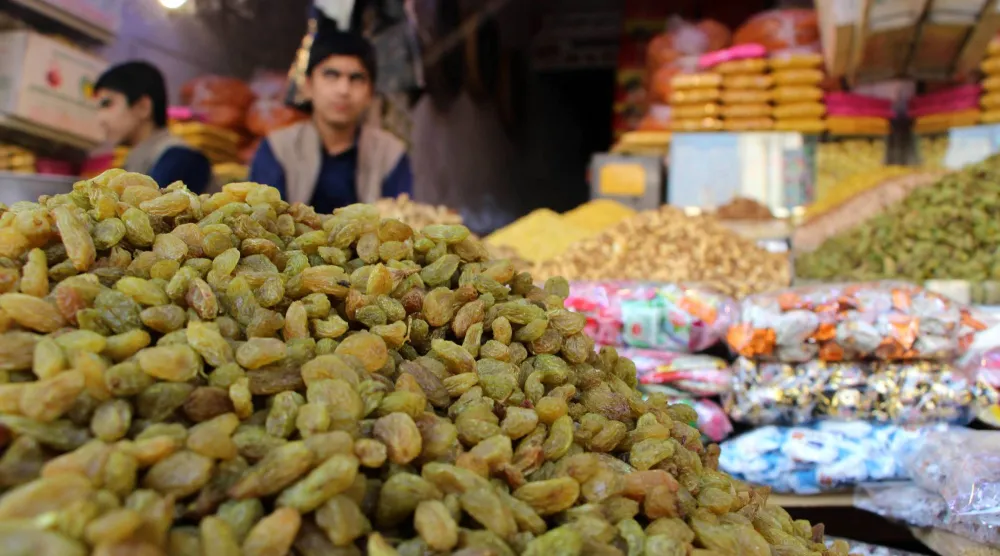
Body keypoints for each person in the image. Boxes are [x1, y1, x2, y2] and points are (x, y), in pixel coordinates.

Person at [248, 29, 412, 212]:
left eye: (356, 79)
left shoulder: (390, 154)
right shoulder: (278, 148)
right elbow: (262, 222)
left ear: (370, 93)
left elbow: (401, 224)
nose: (343, 90)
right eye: (331, 75)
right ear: (308, 86)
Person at [94, 61, 213, 193]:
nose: (100, 118)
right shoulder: (135, 160)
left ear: (143, 107)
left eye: (107, 104)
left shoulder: (181, 159)